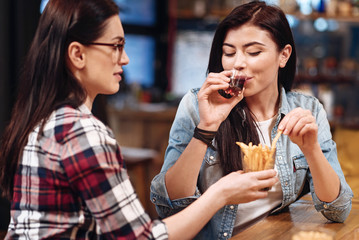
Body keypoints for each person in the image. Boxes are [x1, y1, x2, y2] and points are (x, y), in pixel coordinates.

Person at [0, 0, 279, 239]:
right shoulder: (81, 132)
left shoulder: (44, 120)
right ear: (77, 54)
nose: (126, 59)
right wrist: (220, 194)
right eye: (116, 46)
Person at [150, 1, 354, 239]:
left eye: (253, 52)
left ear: (284, 55)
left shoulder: (307, 109)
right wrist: (207, 127)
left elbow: (338, 210)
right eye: (228, 52)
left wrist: (311, 150)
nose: (238, 63)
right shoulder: (198, 104)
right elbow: (168, 207)